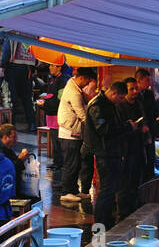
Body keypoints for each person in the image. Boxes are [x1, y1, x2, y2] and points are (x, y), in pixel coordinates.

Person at [83, 80, 132, 228]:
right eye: (121, 97)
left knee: (110, 189)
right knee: (106, 189)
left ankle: (106, 221)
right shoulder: (98, 105)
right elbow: (104, 130)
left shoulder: (109, 104)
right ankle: (100, 225)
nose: (121, 101)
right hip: (105, 153)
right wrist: (127, 126)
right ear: (114, 93)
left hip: (112, 152)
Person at [56, 68, 96, 210]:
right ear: (82, 78)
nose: (87, 84)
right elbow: (82, 114)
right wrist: (93, 126)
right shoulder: (74, 92)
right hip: (70, 133)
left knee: (75, 162)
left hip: (73, 132)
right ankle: (66, 191)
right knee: (71, 163)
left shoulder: (73, 85)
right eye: (87, 81)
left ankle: (72, 190)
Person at [116, 78, 146, 219]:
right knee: (125, 182)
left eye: (136, 88)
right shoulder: (120, 107)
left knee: (135, 179)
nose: (135, 92)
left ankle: (133, 208)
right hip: (125, 149)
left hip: (138, 147)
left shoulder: (139, 104)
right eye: (131, 89)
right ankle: (123, 212)